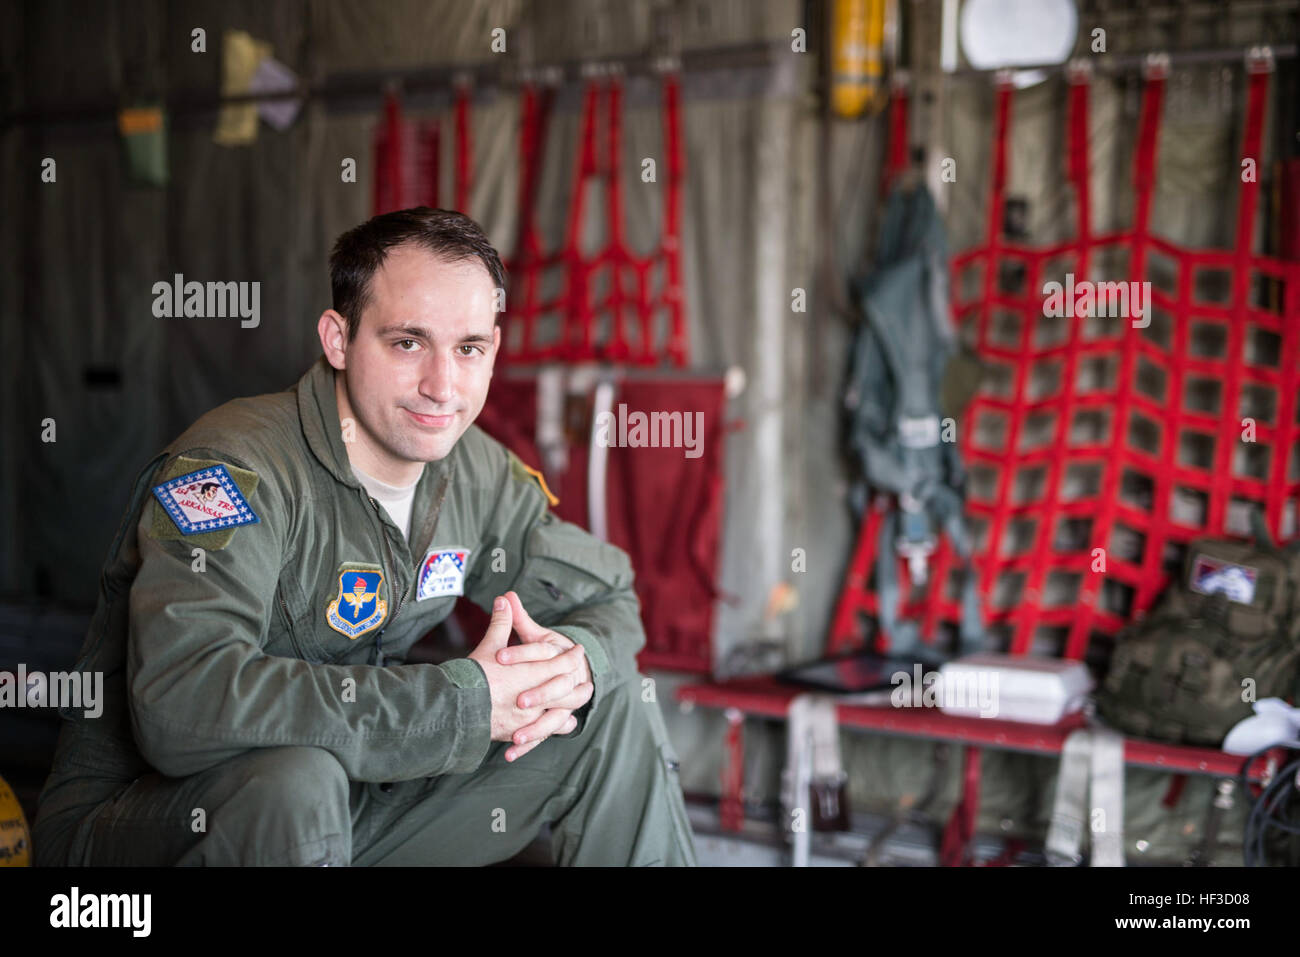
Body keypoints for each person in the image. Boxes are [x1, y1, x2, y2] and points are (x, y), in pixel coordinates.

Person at [32, 207, 698, 866]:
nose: (443, 386)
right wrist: (456, 705)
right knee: (297, 780)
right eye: (407, 342)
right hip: (147, 820)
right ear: (338, 339)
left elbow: (611, 596)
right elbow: (180, 704)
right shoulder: (232, 470)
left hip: (357, 799)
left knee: (606, 710)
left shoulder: (475, 472)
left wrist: (571, 667)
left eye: (468, 348)